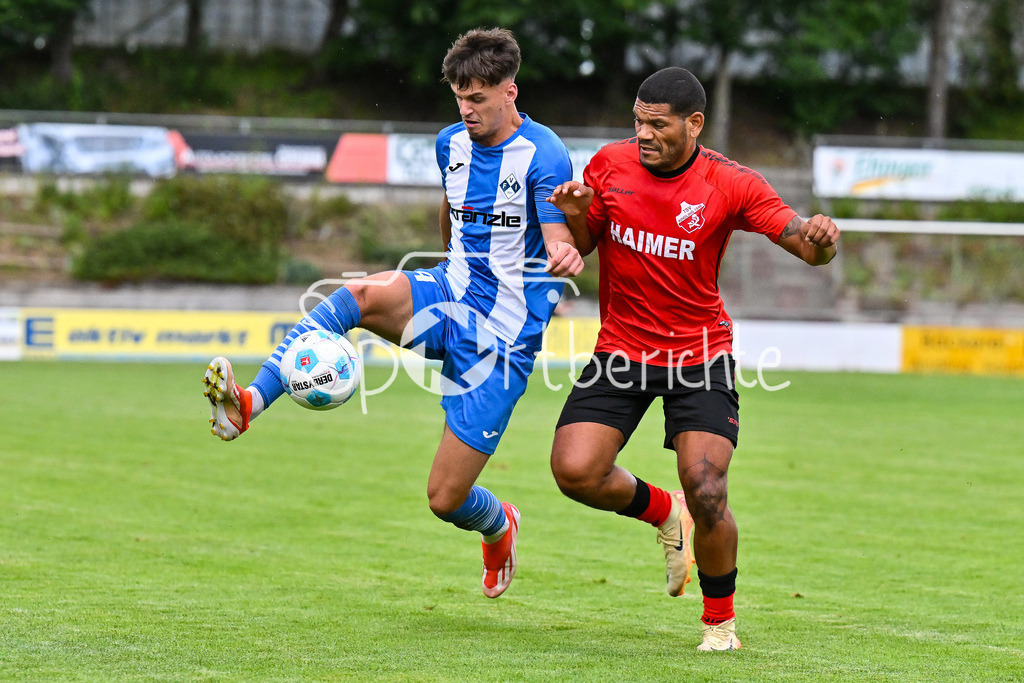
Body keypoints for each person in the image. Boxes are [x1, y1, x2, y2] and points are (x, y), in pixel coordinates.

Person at [203, 27, 583, 599]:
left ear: (511, 91)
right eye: (459, 97)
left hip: (502, 339)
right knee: (356, 296)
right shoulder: (449, 143)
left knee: (445, 499)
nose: (467, 110)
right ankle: (251, 402)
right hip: (449, 293)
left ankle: (499, 523)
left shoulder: (545, 152)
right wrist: (446, 262)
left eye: (478, 98)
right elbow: (451, 209)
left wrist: (562, 252)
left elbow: (557, 235)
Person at [546, 67, 839, 651]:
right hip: (621, 349)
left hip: (699, 354)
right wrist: (576, 212)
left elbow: (807, 249)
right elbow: (584, 242)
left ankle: (719, 625)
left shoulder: (730, 183)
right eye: (638, 121)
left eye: (658, 124)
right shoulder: (609, 164)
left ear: (694, 124)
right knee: (575, 472)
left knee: (707, 487)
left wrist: (822, 239)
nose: (643, 134)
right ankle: (664, 512)